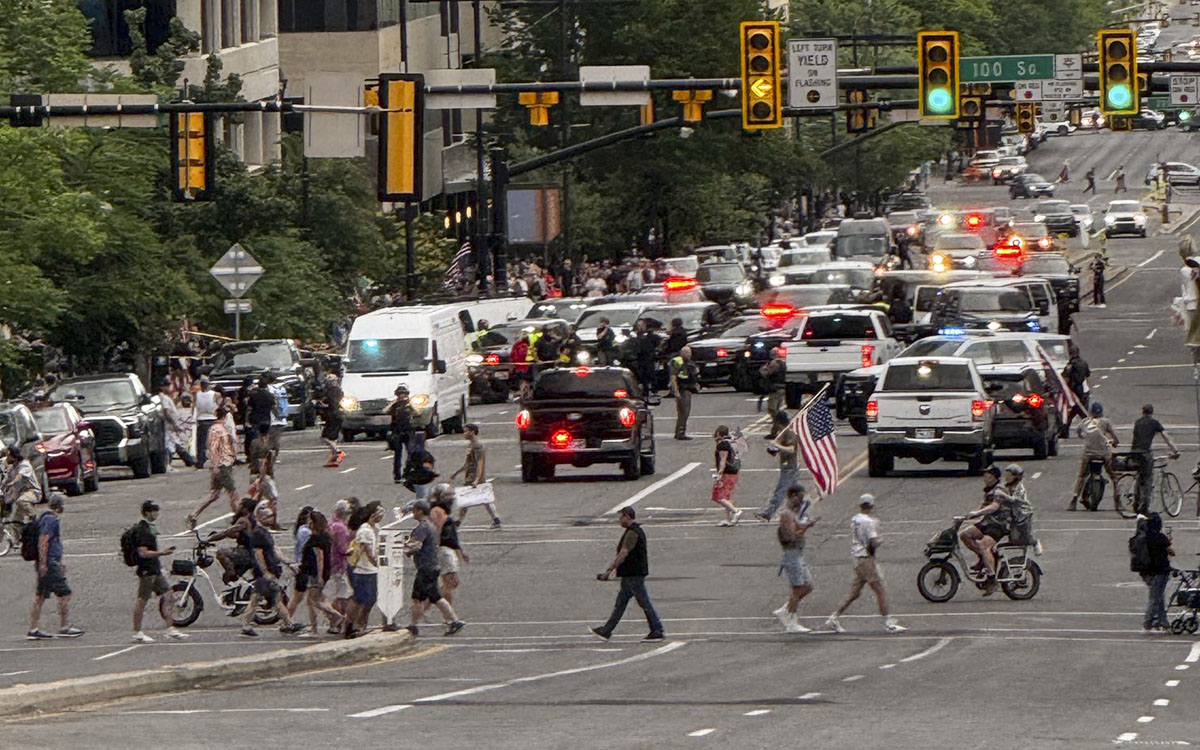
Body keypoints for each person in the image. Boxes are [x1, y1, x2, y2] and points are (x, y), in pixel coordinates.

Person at [823, 494, 906, 634]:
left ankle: (834, 617)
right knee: (879, 589)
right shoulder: (869, 522)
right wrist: (880, 541)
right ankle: (888, 622)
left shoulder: (855, 519)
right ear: (872, 506)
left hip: (856, 557)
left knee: (854, 592)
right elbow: (872, 543)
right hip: (865, 558)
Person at [590, 506, 664, 641]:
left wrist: (608, 571)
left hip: (633, 575)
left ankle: (657, 629)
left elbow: (623, 553)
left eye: (621, 517)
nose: (619, 520)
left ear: (628, 516)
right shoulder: (635, 531)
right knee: (621, 603)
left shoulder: (632, 533)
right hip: (630, 575)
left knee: (644, 602)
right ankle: (606, 630)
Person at [241, 502, 304, 637]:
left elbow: (275, 550)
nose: (272, 518)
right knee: (273, 599)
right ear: (261, 517)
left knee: (262, 599)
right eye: (269, 516)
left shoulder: (265, 532)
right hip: (264, 573)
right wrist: (265, 572)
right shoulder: (258, 533)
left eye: (272, 516)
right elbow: (258, 554)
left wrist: (288, 563)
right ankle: (288, 624)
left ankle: (247, 626)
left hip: (269, 572)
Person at [404, 500, 466, 637]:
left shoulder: (423, 527)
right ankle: (454, 621)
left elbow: (417, 546)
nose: (412, 513)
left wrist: (404, 550)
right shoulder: (430, 526)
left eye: (414, 510)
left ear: (420, 511)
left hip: (425, 567)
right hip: (433, 566)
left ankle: (413, 625)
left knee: (416, 598)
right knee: (436, 597)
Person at [27, 494, 83, 640]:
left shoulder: (44, 518)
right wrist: (45, 563)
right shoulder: (50, 520)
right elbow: (44, 540)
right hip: (49, 563)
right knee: (65, 593)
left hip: (49, 562)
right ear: (59, 506)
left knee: (40, 596)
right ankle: (64, 627)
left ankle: (33, 628)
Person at [130, 501, 187, 643]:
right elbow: (143, 553)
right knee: (142, 601)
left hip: (154, 569)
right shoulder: (142, 530)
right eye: (154, 511)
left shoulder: (150, 528)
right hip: (146, 570)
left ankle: (170, 628)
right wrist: (162, 553)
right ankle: (137, 631)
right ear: (147, 512)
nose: (157, 514)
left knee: (169, 596)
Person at [958, 467, 1017, 595]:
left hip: (999, 525)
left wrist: (978, 513)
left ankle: (992, 578)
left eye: (988, 476)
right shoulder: (989, 490)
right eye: (984, 476)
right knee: (965, 535)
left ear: (995, 478)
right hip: (988, 522)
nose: (985, 479)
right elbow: (983, 507)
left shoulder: (1000, 490)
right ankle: (983, 559)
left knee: (984, 545)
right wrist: (968, 516)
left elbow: (994, 507)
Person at [774, 484, 818, 633]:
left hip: (798, 553)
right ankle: (791, 621)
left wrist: (806, 524)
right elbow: (790, 537)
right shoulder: (786, 515)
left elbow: (799, 525)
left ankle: (786, 609)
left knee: (808, 585)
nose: (801, 501)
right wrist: (804, 528)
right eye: (799, 498)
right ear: (792, 496)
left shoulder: (793, 514)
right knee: (797, 588)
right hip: (791, 554)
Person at [187, 405, 239, 529]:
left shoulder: (222, 428)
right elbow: (213, 448)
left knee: (214, 494)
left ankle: (193, 515)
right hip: (222, 465)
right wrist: (215, 465)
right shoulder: (216, 429)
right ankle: (238, 518)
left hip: (225, 463)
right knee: (233, 494)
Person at [296, 510, 342, 637]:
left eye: (310, 521)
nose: (308, 524)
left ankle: (334, 616)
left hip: (314, 573)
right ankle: (318, 625)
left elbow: (319, 558)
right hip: (319, 572)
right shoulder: (325, 537)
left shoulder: (316, 539)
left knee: (312, 600)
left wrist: (321, 576)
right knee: (317, 599)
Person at [1069, 402, 1120, 511]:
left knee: (1081, 476)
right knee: (1114, 477)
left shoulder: (1084, 422)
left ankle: (1073, 500)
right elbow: (1115, 438)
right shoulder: (1105, 422)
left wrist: (1084, 437)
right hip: (1104, 454)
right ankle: (1118, 501)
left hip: (1089, 454)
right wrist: (1114, 442)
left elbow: (1079, 433)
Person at [1131, 404, 1181, 513]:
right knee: (1148, 478)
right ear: (1152, 412)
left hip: (1134, 452)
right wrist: (1175, 450)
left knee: (1141, 474)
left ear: (1143, 412)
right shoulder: (1154, 423)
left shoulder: (1138, 422)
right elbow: (1166, 437)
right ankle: (1144, 506)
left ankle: (1136, 500)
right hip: (1144, 453)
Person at [344, 502, 383, 638]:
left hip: (369, 570)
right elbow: (368, 552)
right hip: (364, 570)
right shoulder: (365, 530)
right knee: (362, 599)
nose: (382, 513)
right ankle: (353, 625)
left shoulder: (373, 528)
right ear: (372, 513)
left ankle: (359, 625)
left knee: (368, 600)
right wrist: (378, 565)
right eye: (379, 511)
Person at [452, 423, 501, 528]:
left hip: (474, 476)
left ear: (472, 432)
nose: (464, 434)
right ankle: (496, 519)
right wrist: (457, 473)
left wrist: (477, 478)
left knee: (468, 498)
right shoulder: (471, 446)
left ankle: (458, 522)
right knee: (483, 498)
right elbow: (468, 463)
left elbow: (480, 462)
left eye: (466, 431)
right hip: (470, 474)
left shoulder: (477, 446)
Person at [756, 412, 799, 521]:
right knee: (793, 493)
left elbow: (791, 449)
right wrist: (774, 449)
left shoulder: (789, 433)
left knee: (780, 491)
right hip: (787, 465)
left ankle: (768, 514)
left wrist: (777, 445)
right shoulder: (783, 432)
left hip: (789, 466)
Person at [1135, 512, 1173, 633]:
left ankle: (1162, 621)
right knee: (1155, 597)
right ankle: (1147, 622)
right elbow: (1171, 552)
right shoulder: (1161, 538)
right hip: (1160, 571)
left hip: (1145, 572)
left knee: (1158, 596)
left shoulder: (1141, 537)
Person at [430, 485, 468, 606]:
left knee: (454, 582)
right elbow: (437, 529)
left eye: (452, 494)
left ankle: (431, 603)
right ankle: (447, 613)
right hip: (443, 549)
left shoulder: (445, 510)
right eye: (447, 495)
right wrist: (435, 547)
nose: (451, 497)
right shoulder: (437, 510)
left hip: (450, 549)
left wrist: (460, 550)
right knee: (449, 582)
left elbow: (452, 534)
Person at [324, 499, 354, 632]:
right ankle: (338, 622)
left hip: (332, 563)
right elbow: (343, 549)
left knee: (340, 594)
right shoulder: (340, 528)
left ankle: (337, 622)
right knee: (343, 595)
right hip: (339, 565)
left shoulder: (332, 524)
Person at [711, 425, 743, 526]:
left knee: (719, 496)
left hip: (727, 473)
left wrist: (719, 473)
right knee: (726, 496)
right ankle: (728, 519)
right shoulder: (731, 442)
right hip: (733, 472)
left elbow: (723, 461)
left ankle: (735, 511)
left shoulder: (723, 445)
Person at [2, 445, 40, 526]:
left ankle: (35, 518)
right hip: (18, 494)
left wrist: (12, 483)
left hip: (32, 492)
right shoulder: (12, 467)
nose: (6, 458)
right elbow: (5, 480)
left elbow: (19, 477)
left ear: (14, 457)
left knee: (22, 501)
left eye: (8, 456)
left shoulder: (25, 465)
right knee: (16, 521)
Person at [385, 385, 416, 484]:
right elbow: (385, 411)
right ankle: (397, 475)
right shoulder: (395, 405)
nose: (402, 397)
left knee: (410, 453)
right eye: (400, 394)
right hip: (397, 431)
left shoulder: (409, 405)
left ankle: (407, 473)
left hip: (408, 431)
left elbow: (417, 412)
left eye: (404, 394)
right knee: (398, 454)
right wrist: (394, 402)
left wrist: (410, 403)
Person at [668, 346, 698, 441]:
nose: (689, 355)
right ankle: (680, 432)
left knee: (684, 412)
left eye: (689, 353)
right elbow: (673, 377)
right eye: (686, 353)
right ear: (682, 353)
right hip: (682, 390)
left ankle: (679, 432)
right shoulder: (677, 362)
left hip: (687, 389)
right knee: (683, 412)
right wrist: (675, 391)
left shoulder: (689, 363)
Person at [317, 373, 346, 468]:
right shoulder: (340, 391)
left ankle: (338, 452)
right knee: (333, 437)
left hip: (333, 415)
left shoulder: (331, 391)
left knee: (325, 437)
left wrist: (322, 404)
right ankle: (333, 458)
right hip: (339, 415)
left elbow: (331, 403)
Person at [759, 349, 787, 434]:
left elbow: (765, 373)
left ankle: (780, 428)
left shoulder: (774, 364)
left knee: (772, 410)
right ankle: (775, 430)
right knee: (776, 409)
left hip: (775, 389)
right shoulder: (782, 363)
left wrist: (764, 367)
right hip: (781, 388)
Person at [193, 377, 218, 467]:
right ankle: (215, 459)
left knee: (201, 442)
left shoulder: (197, 394)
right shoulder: (214, 394)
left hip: (201, 419)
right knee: (214, 441)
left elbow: (195, 406)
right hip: (212, 418)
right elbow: (217, 405)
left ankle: (200, 460)